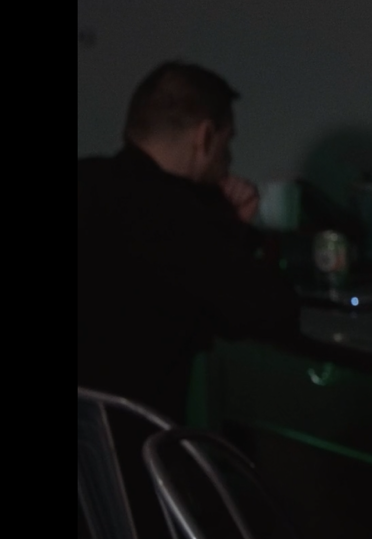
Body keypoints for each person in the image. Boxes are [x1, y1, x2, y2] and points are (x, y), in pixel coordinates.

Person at [76, 61, 298, 418]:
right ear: (205, 137)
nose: (229, 159)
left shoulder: (87, 180)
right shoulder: (174, 216)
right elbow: (272, 310)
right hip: (132, 441)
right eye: (228, 143)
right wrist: (230, 230)